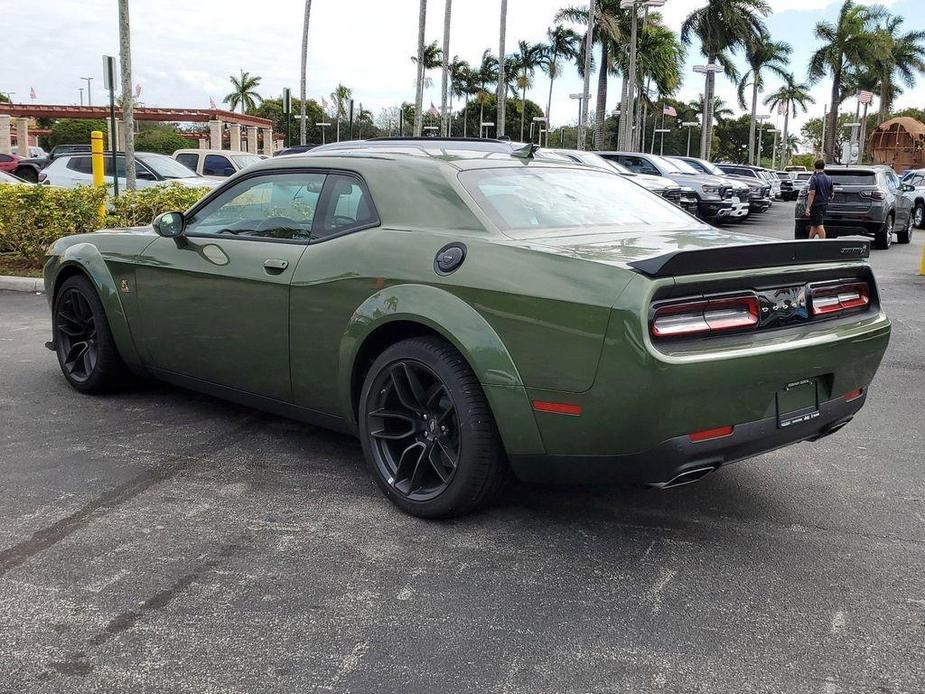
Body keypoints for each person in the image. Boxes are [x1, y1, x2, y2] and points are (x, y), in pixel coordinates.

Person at [804, 159, 834, 239]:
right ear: (824, 167)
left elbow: (812, 193)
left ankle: (822, 243)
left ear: (815, 166)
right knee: (814, 225)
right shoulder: (829, 178)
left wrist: (808, 207)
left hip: (816, 205)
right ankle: (809, 242)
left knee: (819, 225)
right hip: (824, 204)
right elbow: (832, 194)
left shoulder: (814, 178)